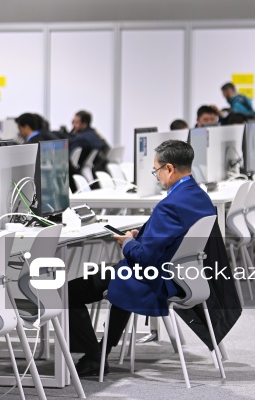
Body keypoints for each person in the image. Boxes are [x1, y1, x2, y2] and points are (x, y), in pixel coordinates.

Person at [68, 140, 216, 377]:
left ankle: (94, 356)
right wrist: (141, 236)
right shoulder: (200, 197)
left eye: (156, 170)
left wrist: (127, 242)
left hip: (156, 279)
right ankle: (100, 353)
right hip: (184, 276)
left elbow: (144, 259)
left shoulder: (170, 205)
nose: (156, 176)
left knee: (68, 290)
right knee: (114, 275)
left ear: (169, 168)